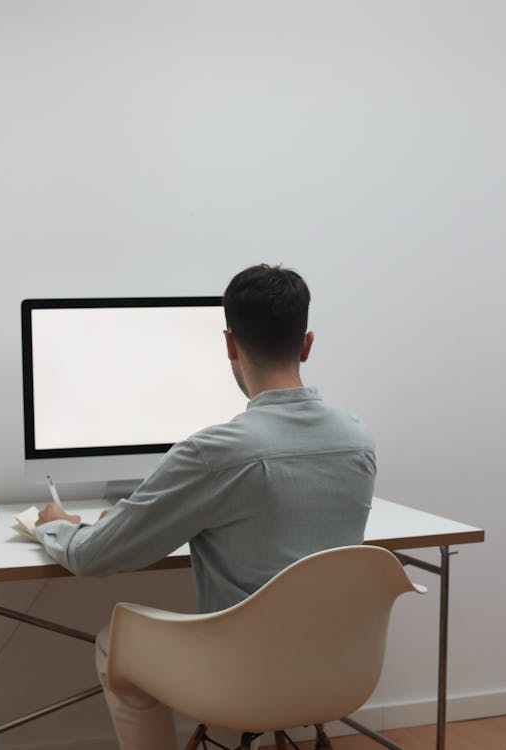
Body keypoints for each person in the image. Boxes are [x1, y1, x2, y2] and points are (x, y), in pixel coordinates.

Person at [33, 263, 376, 750]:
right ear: (307, 344)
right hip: (338, 669)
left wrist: (60, 527)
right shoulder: (358, 440)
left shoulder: (215, 453)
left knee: (116, 640)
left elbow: (93, 557)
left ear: (230, 345)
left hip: (241, 677)